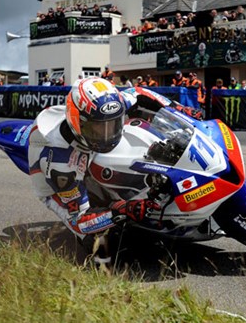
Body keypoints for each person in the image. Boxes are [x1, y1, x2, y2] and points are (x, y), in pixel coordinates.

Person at [27, 78, 167, 271]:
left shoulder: (105, 108)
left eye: (113, 124)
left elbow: (141, 93)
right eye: (99, 128)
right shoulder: (62, 165)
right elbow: (81, 222)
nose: (108, 134)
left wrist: (177, 109)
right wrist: (121, 211)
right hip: (64, 193)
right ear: (78, 123)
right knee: (117, 251)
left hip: (86, 152)